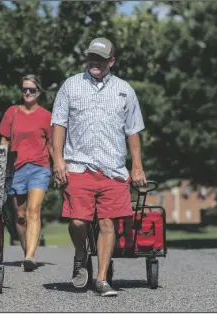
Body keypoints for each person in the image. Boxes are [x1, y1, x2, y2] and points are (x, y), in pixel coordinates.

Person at [51, 38, 147, 297]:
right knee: (78, 222)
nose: (95, 62)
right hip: (79, 166)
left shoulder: (125, 90)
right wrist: (58, 160)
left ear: (111, 61)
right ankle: (81, 253)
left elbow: (133, 132)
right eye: (91, 56)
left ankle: (102, 279)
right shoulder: (70, 86)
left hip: (113, 168)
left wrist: (136, 166)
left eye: (101, 58)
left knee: (108, 224)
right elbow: (58, 125)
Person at [0, 74, 53, 272]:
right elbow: (4, 140)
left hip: (39, 168)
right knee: (20, 215)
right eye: (24, 89)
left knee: (33, 209)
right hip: (16, 169)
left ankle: (30, 255)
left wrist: (60, 167)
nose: (28, 93)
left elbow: (52, 145)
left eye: (32, 89)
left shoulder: (47, 116)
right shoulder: (12, 112)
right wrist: (1, 163)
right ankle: (26, 252)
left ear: (39, 91)